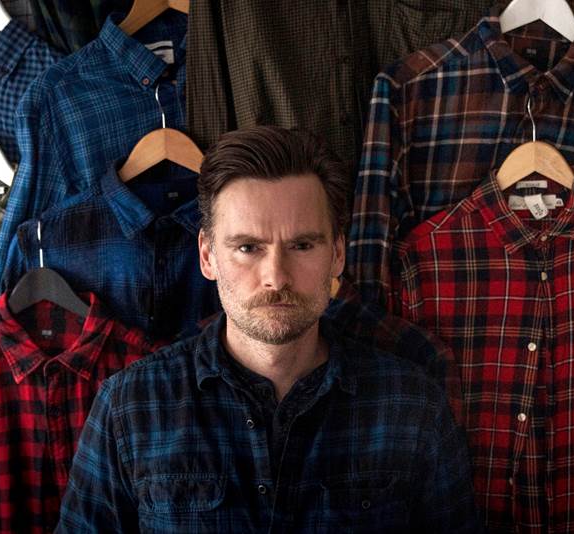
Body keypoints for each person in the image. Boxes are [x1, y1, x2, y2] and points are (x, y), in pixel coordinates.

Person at [56, 126, 479, 533]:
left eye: (301, 245)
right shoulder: (129, 407)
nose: (276, 276)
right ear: (207, 255)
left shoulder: (412, 405)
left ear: (337, 254)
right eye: (248, 247)